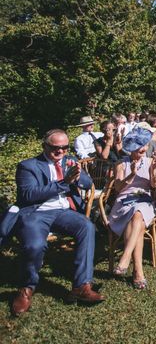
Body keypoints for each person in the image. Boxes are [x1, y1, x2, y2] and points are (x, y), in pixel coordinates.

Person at [8, 129, 105, 316]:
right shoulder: (28, 166)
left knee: (86, 226)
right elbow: (29, 195)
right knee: (35, 246)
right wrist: (64, 182)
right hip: (37, 213)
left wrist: (78, 175)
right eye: (55, 148)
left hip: (63, 211)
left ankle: (82, 286)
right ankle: (27, 288)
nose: (61, 152)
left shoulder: (69, 161)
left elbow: (87, 183)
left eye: (65, 147)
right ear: (45, 146)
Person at [108, 128, 156, 289]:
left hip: (144, 200)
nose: (143, 149)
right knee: (138, 219)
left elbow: (154, 185)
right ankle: (138, 271)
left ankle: (126, 257)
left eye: (144, 145)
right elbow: (118, 188)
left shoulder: (149, 162)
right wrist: (131, 174)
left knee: (139, 212)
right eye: (139, 146)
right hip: (124, 202)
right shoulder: (121, 163)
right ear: (131, 148)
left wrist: (153, 169)